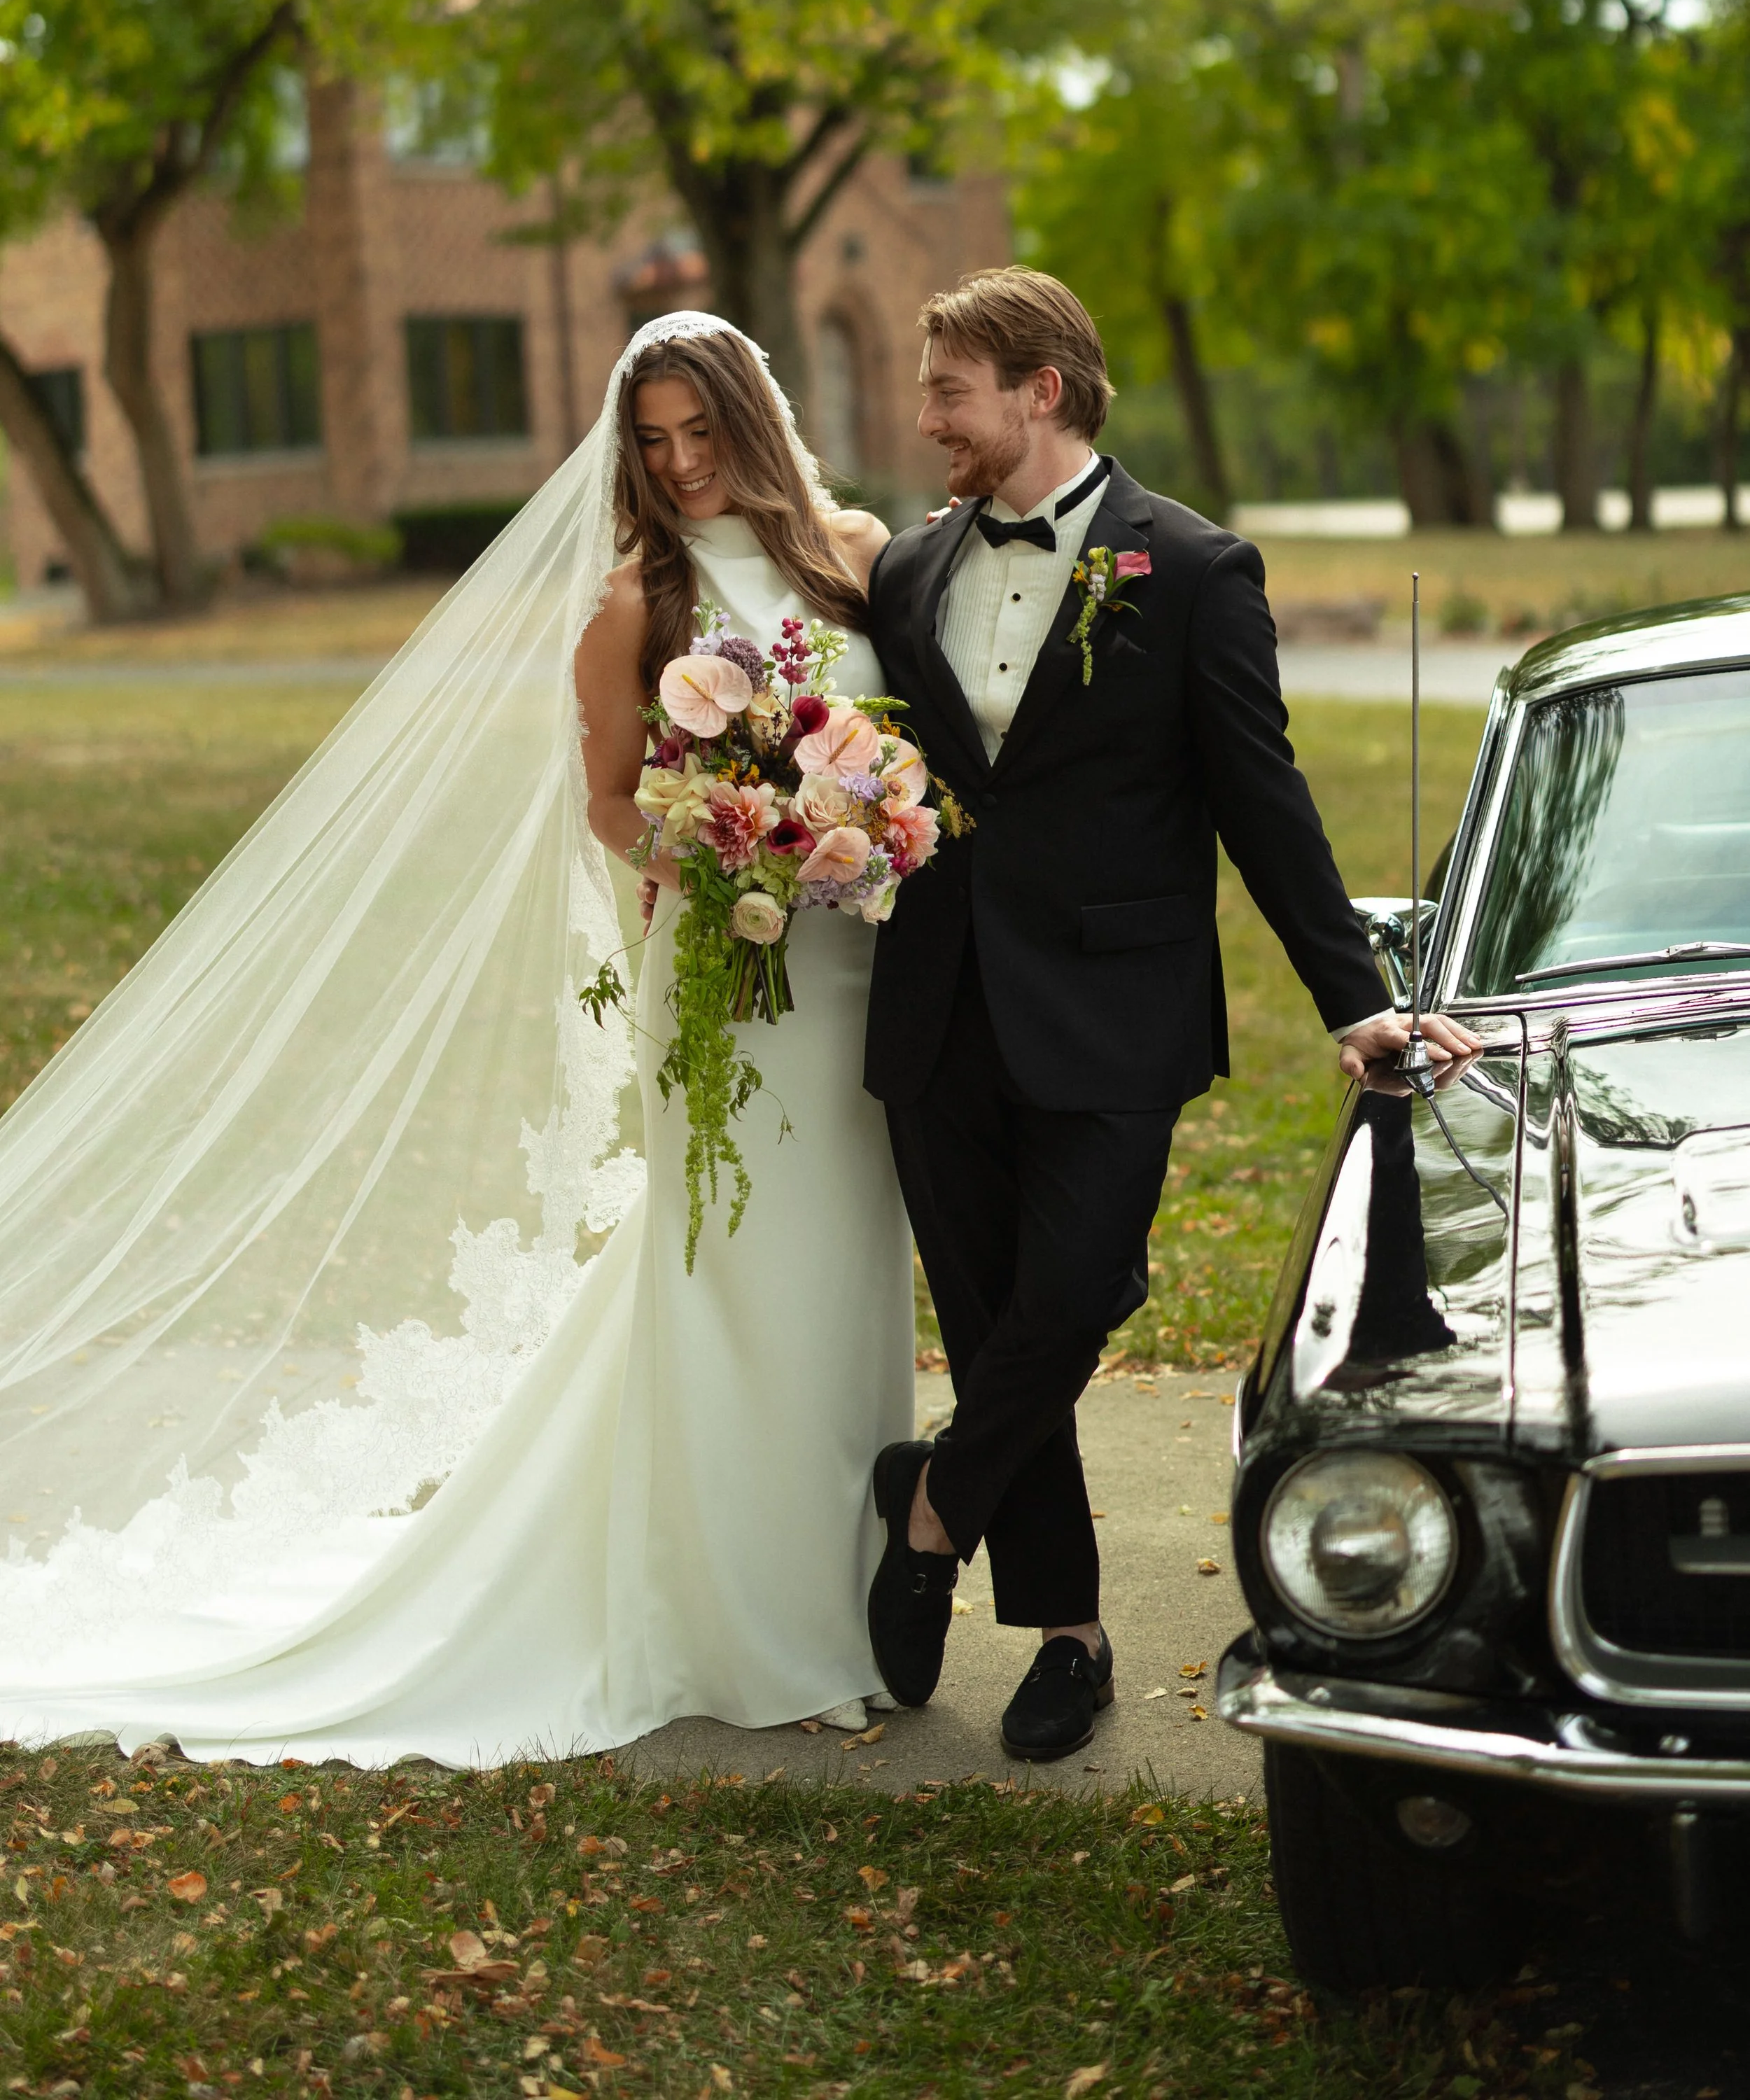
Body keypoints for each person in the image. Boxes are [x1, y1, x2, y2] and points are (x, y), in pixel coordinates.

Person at [0, 314, 913, 1763]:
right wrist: (720, 842)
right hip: (726, 986)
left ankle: (856, 1599)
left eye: (699, 432)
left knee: (845, 1281)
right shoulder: (632, 603)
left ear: (752, 418)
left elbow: (909, 731)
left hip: (858, 970)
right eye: (652, 441)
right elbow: (609, 802)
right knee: (738, 1283)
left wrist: (860, 822)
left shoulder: (857, 553)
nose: (677, 465)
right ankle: (758, 1634)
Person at [860, 266, 1480, 1763]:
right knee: (1009, 1320)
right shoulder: (901, 573)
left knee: (1073, 1297)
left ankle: (931, 1504)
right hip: (938, 1011)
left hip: (1112, 1008)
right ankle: (1067, 1641)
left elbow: (1259, 797)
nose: (923, 415)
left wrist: (1356, 997)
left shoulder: (1194, 573)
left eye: (947, 389)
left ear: (1038, 392)